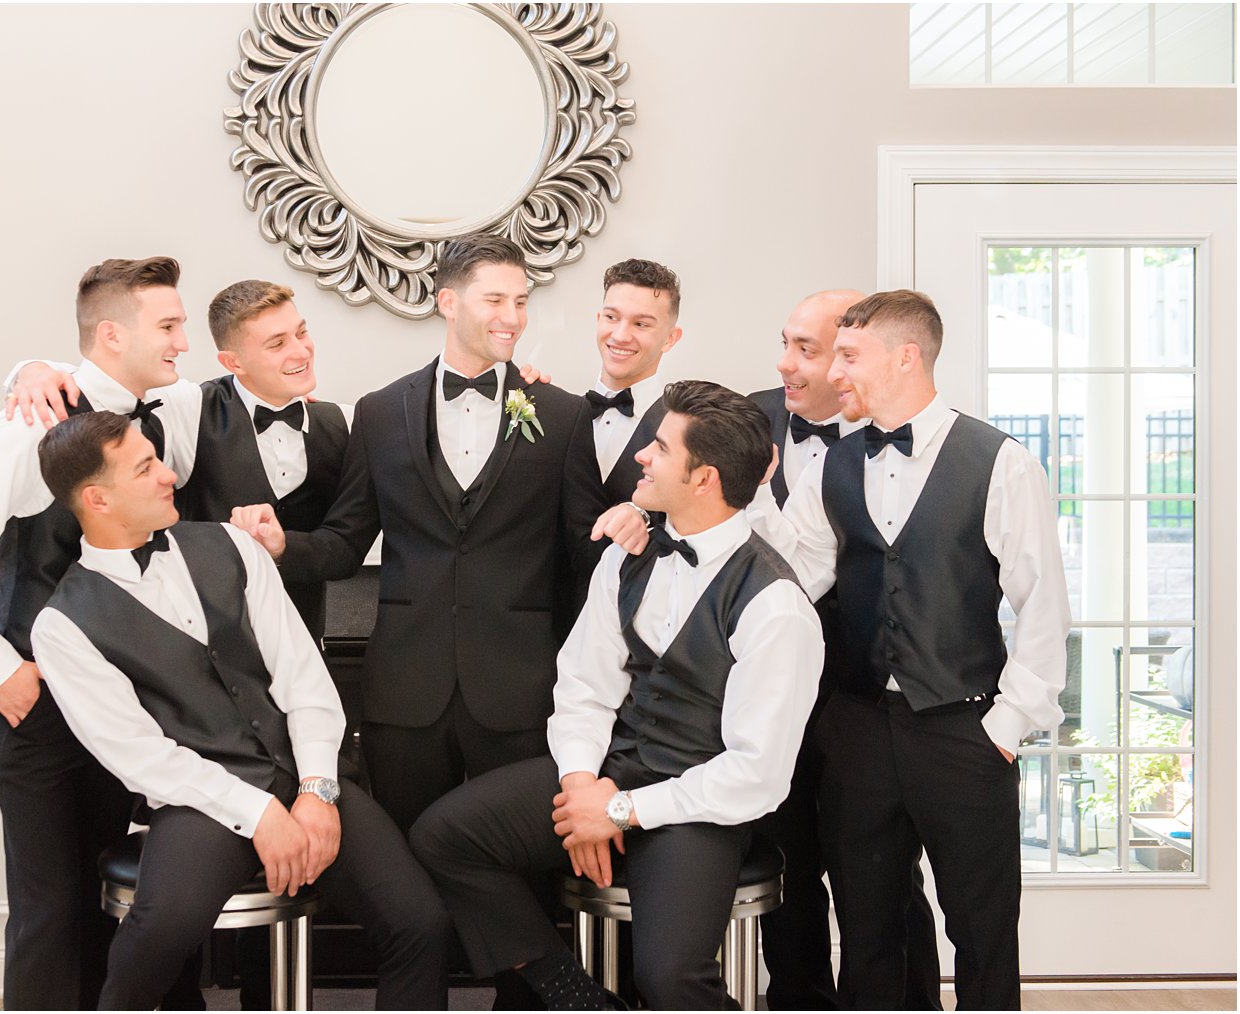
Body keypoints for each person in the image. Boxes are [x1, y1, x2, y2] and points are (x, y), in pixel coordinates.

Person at [409, 381, 824, 1011]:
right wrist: (581, 787)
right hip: (609, 773)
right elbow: (583, 685)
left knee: (668, 978)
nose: (642, 457)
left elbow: (757, 775)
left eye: (659, 447)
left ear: (704, 478)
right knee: (445, 835)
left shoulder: (777, 606)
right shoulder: (628, 555)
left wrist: (622, 811)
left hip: (696, 805)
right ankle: (573, 994)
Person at [28, 412, 450, 1010]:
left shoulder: (231, 545)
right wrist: (258, 814)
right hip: (200, 801)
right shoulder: (62, 627)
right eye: (146, 468)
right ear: (97, 498)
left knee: (419, 921)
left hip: (302, 776)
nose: (169, 474)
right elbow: (141, 758)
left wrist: (317, 790)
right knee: (160, 930)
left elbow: (303, 675)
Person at [750, 290, 1070, 1010]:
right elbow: (787, 575)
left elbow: (1043, 605)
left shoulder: (1000, 462)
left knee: (983, 931)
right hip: (859, 729)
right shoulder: (832, 466)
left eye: (850, 357)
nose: (836, 374)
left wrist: (1006, 728)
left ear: (906, 356)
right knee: (866, 928)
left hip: (964, 729)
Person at [234, 233, 610, 835]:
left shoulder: (564, 415)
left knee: (518, 871)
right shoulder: (380, 411)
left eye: (520, 301)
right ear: (448, 302)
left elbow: (588, 553)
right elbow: (345, 539)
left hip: (522, 691)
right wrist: (284, 547)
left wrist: (639, 523)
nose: (511, 317)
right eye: (494, 300)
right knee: (406, 867)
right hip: (404, 692)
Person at [0, 257, 190, 1009]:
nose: (182, 342)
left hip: (124, 706)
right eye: (167, 326)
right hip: (39, 705)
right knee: (51, 910)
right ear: (110, 334)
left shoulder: (163, 411)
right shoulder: (30, 420)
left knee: (104, 903)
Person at [746, 290, 942, 1010]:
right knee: (786, 874)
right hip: (770, 702)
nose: (787, 364)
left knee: (886, 881)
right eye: (786, 343)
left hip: (869, 700)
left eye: (810, 349)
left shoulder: (920, 442)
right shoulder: (743, 420)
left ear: (859, 354)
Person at [6, 279, 353, 640]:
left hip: (303, 643)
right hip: (198, 646)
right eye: (277, 344)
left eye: (302, 333)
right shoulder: (188, 407)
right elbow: (106, 378)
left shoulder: (345, 422)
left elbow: (343, 545)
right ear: (232, 361)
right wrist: (32, 369)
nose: (301, 352)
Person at [587, 258, 683, 504]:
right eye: (611, 317)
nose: (620, 336)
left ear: (670, 339)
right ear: (599, 319)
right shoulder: (558, 412)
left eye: (641, 324)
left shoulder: (684, 430)